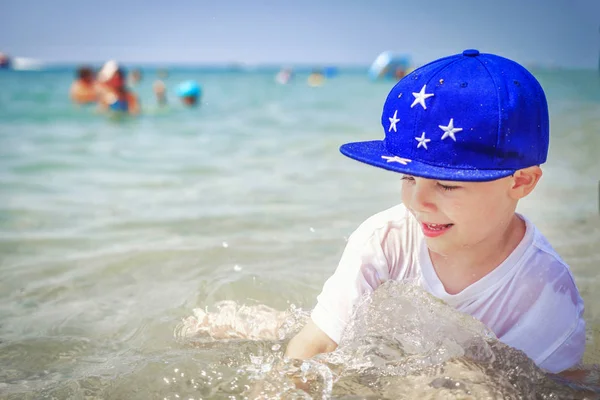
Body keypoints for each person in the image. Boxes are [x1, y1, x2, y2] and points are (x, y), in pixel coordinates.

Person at [284, 49, 586, 374]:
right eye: (409, 177)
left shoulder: (546, 292)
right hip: (388, 349)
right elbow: (318, 343)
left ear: (521, 182)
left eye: (447, 185)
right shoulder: (386, 238)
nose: (418, 202)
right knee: (242, 329)